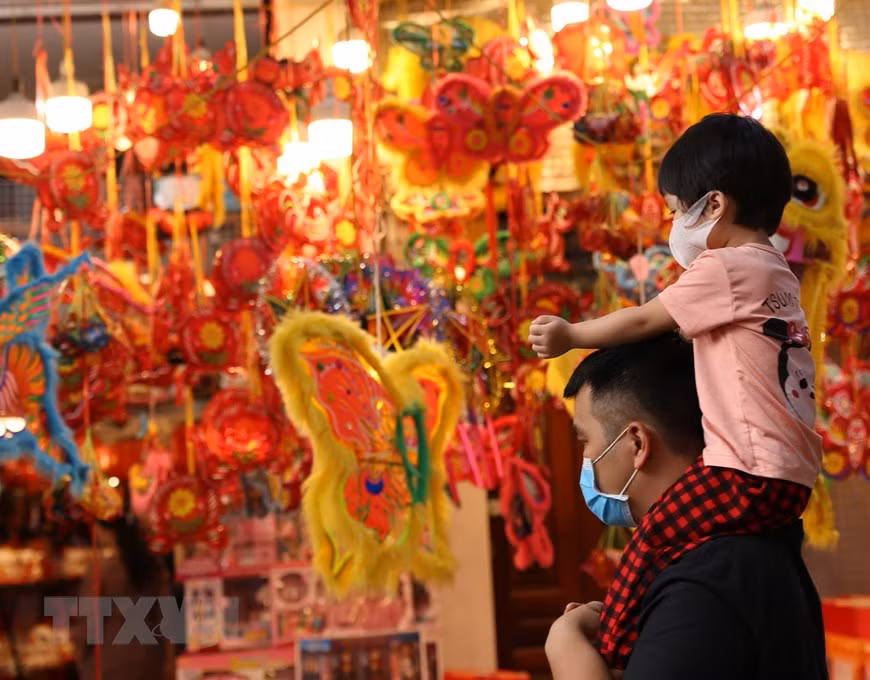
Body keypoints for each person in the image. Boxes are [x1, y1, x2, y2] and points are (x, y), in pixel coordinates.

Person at [529, 114, 822, 668]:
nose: (672, 226)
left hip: (747, 472)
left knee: (656, 532)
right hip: (788, 475)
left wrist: (572, 335)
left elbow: (644, 322)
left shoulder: (729, 269)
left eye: (672, 210)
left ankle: (613, 638)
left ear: (713, 207)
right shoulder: (777, 275)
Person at [545, 335, 828, 679]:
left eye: (585, 441)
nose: (587, 460)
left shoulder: (704, 586)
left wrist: (565, 646)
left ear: (636, 443)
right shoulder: (743, 542)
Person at [72, 485, 175, 680]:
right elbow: (167, 621)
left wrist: (80, 657)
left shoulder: (100, 569)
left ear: (104, 531)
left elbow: (88, 624)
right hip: (148, 663)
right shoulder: (152, 566)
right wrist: (167, 661)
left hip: (108, 663)